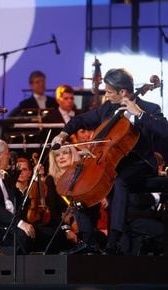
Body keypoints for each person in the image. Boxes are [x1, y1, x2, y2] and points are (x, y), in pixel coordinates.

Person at [52, 68, 168, 254]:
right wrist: (63, 134)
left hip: (140, 165)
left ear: (123, 92)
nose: (105, 95)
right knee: (85, 184)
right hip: (111, 162)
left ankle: (113, 240)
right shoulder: (108, 109)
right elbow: (81, 119)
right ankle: (87, 241)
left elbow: (164, 129)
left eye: (109, 91)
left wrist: (138, 114)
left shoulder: (150, 108)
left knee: (119, 181)